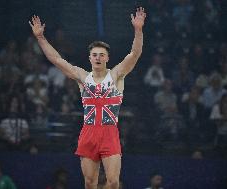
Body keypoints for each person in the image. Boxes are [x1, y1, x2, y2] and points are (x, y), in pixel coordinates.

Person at [29, 7, 146, 189]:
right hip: (89, 132)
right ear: (89, 58)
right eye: (94, 55)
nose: (98, 58)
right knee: (90, 183)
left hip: (109, 132)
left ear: (107, 58)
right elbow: (57, 59)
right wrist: (40, 37)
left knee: (114, 182)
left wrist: (138, 30)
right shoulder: (83, 77)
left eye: (101, 55)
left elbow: (135, 54)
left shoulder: (116, 75)